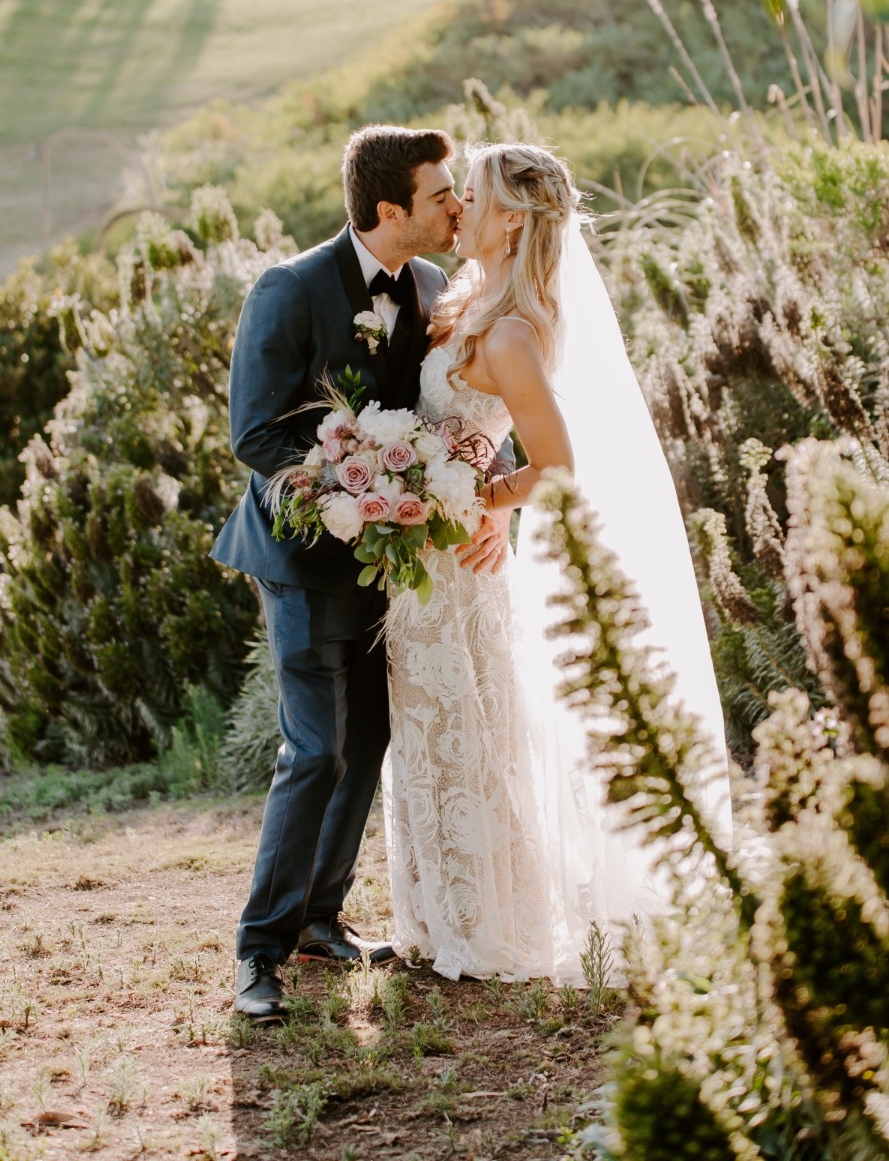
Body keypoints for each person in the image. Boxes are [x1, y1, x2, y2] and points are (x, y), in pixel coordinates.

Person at [381, 142, 733, 983]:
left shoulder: (509, 332)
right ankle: (436, 916)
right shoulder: (466, 298)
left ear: (512, 218)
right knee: (433, 731)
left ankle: (486, 922)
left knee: (469, 732)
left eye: (471, 195)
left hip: (457, 555)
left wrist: (478, 504)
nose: (458, 208)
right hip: (428, 557)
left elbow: (557, 467)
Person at [211, 125, 513, 1018]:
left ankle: (318, 919)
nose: (455, 204)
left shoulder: (430, 286)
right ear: (390, 210)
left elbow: (473, 412)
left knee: (370, 740)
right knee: (317, 748)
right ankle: (256, 952)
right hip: (305, 553)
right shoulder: (291, 288)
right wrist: (354, 474)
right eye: (439, 194)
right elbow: (255, 433)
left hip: (394, 565)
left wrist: (493, 496)